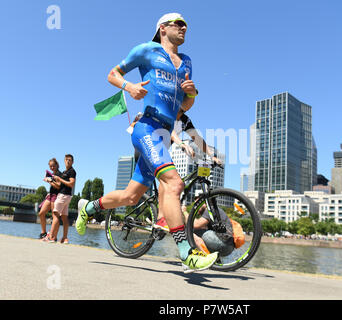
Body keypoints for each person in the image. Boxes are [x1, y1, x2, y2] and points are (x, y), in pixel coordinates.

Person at [75, 13, 218, 273]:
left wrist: (192, 95)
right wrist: (129, 87)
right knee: (174, 183)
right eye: (179, 23)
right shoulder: (146, 50)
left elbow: (181, 109)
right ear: (163, 28)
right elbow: (112, 74)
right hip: (146, 128)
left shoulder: (187, 62)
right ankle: (187, 252)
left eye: (186, 25)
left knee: (131, 197)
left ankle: (88, 207)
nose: (185, 27)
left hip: (164, 132)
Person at [45, 154, 76, 244]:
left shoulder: (72, 171)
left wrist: (59, 179)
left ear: (72, 162)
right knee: (64, 218)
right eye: (66, 160)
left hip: (63, 196)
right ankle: (64, 238)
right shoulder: (64, 172)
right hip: (67, 196)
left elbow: (71, 184)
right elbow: (59, 185)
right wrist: (52, 180)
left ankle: (51, 237)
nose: (68, 161)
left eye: (70, 160)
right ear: (64, 161)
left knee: (55, 215)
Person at [38, 158, 62, 239]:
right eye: (50, 166)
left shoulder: (59, 174)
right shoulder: (52, 174)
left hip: (56, 196)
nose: (52, 167)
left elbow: (58, 186)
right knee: (41, 213)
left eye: (53, 166)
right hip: (50, 195)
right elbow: (53, 186)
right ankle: (43, 232)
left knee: (55, 216)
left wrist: (49, 181)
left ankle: (54, 236)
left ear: (57, 165)